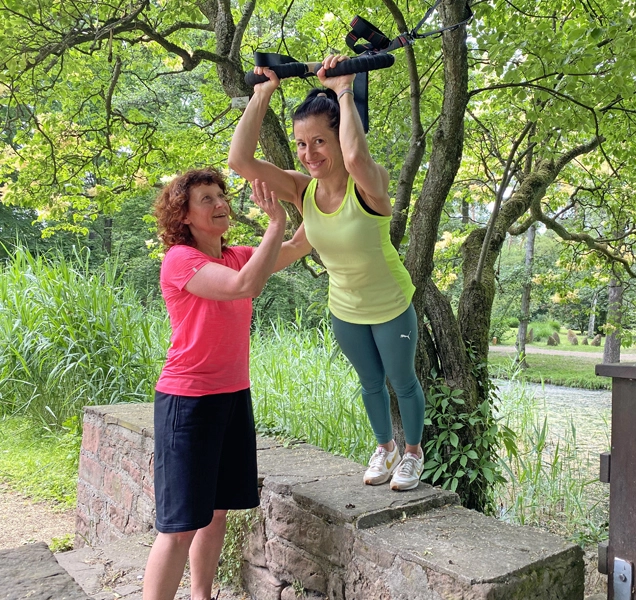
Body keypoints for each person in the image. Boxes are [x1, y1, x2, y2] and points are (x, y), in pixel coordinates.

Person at [228, 55, 427, 491]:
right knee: (370, 383)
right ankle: (386, 447)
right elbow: (240, 160)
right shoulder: (303, 190)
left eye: (319, 141)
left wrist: (344, 89)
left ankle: (413, 453)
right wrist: (261, 94)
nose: (308, 153)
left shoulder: (369, 184)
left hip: (391, 304)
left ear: (339, 138)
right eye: (301, 144)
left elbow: (357, 157)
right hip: (345, 308)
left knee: (402, 381)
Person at [143, 167, 306, 600]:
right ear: (184, 217)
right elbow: (243, 285)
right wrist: (276, 222)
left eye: (221, 195)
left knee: (215, 515)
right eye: (206, 200)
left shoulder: (235, 254)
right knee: (179, 526)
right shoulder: (181, 260)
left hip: (232, 397)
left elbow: (298, 246)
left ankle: (202, 596)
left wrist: (327, 193)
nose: (220, 204)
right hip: (188, 401)